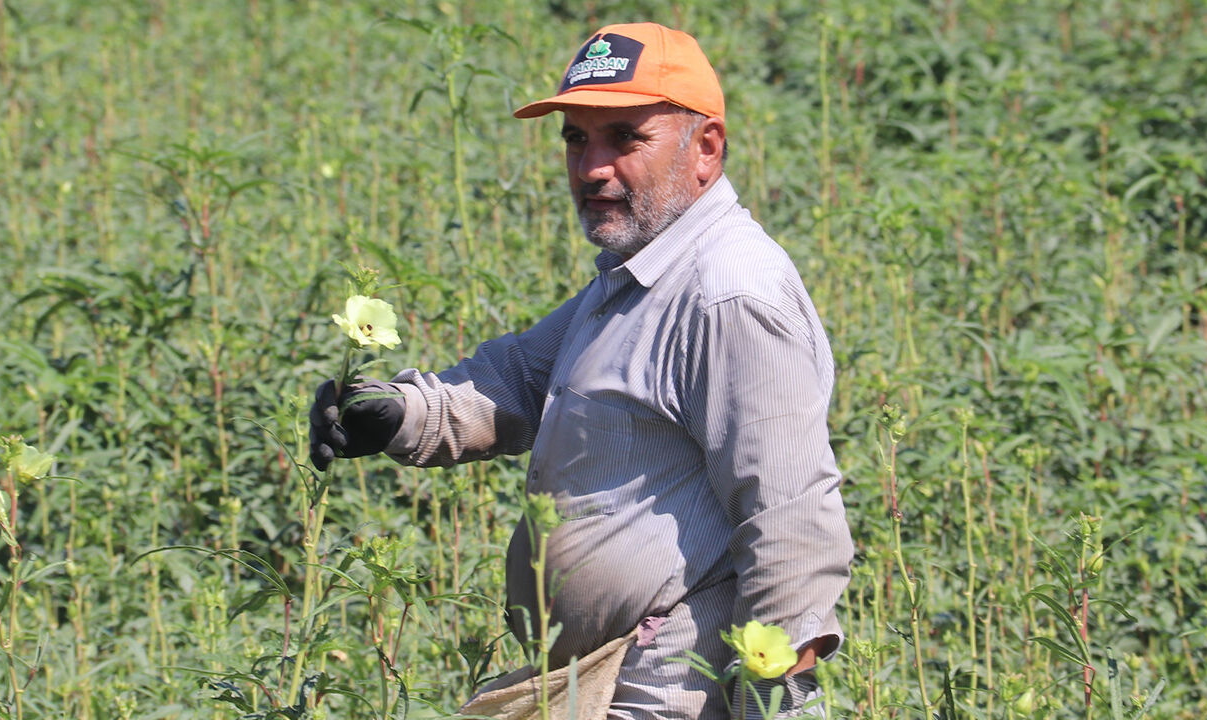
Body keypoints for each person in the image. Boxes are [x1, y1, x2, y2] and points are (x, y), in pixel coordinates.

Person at [309, 22, 853, 719]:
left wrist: (779, 697)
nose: (593, 166)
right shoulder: (645, 270)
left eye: (626, 138)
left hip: (671, 684)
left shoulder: (728, 291)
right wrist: (397, 413)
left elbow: (790, 506)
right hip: (598, 677)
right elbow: (523, 379)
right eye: (576, 139)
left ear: (706, 149)